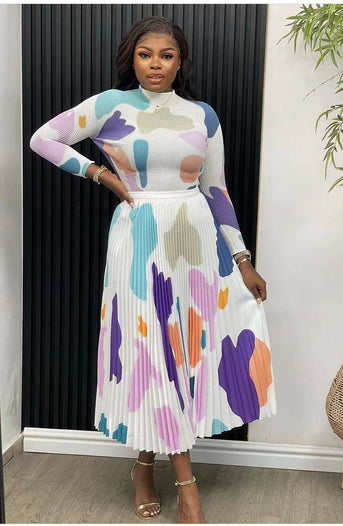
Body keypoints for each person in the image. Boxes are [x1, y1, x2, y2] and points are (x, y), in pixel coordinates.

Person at [30, 16, 277, 524]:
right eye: (146, 54)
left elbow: (217, 191)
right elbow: (43, 139)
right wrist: (97, 173)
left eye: (167, 55)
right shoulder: (111, 105)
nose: (156, 64)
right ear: (133, 58)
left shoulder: (202, 116)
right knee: (151, 352)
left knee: (181, 353)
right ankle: (187, 486)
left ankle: (144, 466)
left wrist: (243, 259)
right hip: (139, 236)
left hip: (195, 240)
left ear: (180, 61)